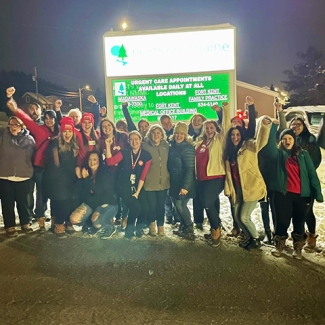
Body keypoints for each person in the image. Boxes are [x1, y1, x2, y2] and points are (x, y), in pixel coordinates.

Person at [5, 87, 62, 231]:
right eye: (47, 118)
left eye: (51, 118)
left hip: (53, 170)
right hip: (39, 167)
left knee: (51, 193)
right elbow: (26, 119)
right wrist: (14, 106)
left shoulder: (60, 133)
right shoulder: (40, 129)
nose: (48, 120)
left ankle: (54, 219)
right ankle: (39, 217)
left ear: (55, 119)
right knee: (39, 194)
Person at [265, 127, 323, 259]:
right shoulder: (278, 154)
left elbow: (311, 174)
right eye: (284, 139)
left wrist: (317, 192)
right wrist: (273, 128)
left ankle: (297, 248)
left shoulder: (303, 154)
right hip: (283, 194)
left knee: (299, 222)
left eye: (289, 138)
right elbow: (269, 147)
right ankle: (279, 245)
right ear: (280, 141)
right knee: (282, 222)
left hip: (302, 195)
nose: (287, 141)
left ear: (294, 140)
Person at [223, 117, 271, 250]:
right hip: (238, 189)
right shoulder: (229, 151)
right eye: (232, 135)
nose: (235, 137)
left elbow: (261, 142)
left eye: (237, 134)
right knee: (237, 217)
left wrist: (265, 127)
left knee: (244, 217)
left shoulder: (249, 145)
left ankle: (255, 239)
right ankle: (250, 237)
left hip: (252, 187)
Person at [278, 108, 322, 250]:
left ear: (304, 126)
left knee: (307, 212)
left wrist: (304, 173)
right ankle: (299, 235)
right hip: (291, 185)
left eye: (299, 125)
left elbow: (315, 161)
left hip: (305, 182)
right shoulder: (287, 141)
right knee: (293, 213)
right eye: (293, 125)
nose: (295, 127)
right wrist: (280, 112)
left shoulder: (309, 140)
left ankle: (312, 234)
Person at [194, 102, 230, 247]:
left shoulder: (220, 139)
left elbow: (226, 126)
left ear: (215, 129)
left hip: (216, 176)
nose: (209, 130)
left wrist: (223, 110)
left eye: (211, 127)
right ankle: (216, 226)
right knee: (212, 202)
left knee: (207, 202)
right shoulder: (199, 142)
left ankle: (216, 228)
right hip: (201, 178)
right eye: (206, 128)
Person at [105, 131, 152, 238]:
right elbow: (110, 162)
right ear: (129, 141)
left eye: (136, 139)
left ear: (140, 140)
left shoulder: (146, 155)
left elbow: (143, 175)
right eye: (131, 139)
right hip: (123, 185)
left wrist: (137, 192)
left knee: (145, 208)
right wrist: (108, 145)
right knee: (136, 207)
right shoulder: (124, 152)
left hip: (138, 185)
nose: (134, 141)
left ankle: (139, 228)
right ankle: (129, 231)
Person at [42, 117, 80, 238]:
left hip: (71, 178)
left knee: (71, 201)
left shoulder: (74, 144)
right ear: (61, 132)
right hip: (58, 178)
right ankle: (59, 224)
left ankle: (67, 222)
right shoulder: (55, 144)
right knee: (62, 201)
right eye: (65, 131)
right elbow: (54, 164)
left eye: (69, 131)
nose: (67, 134)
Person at [70, 151, 118, 239]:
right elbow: (82, 193)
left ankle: (109, 226)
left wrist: (87, 180)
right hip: (91, 203)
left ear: (100, 160)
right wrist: (82, 179)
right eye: (90, 160)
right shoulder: (86, 172)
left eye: (95, 159)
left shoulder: (105, 173)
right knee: (74, 219)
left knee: (96, 221)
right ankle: (90, 224)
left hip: (107, 204)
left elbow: (99, 194)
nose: (92, 162)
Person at [0, 116, 35, 237]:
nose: (13, 127)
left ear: (22, 126)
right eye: (11, 125)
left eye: (16, 124)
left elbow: (33, 157)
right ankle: (10, 226)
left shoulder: (30, 139)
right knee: (7, 203)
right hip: (5, 176)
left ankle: (25, 222)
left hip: (23, 176)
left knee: (23, 202)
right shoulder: (3, 137)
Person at [167, 122, 196, 239]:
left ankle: (189, 227)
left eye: (182, 134)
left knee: (180, 204)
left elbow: (190, 169)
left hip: (184, 183)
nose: (179, 136)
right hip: (174, 182)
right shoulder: (172, 146)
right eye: (177, 133)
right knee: (176, 204)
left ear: (185, 135)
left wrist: (185, 186)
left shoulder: (187, 148)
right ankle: (183, 226)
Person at [142, 124, 170, 236]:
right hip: (150, 182)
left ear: (162, 135)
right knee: (151, 206)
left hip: (164, 182)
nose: (156, 135)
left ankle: (161, 226)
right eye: (153, 133)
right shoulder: (145, 146)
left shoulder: (166, 146)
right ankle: (151, 225)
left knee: (161, 206)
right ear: (149, 134)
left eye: (158, 133)